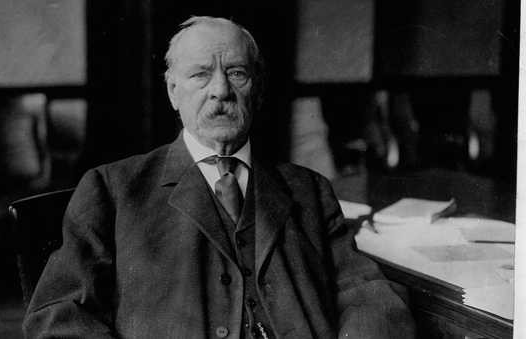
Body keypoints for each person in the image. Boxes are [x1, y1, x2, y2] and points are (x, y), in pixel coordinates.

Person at [23, 16, 415, 339]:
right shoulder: (114, 189)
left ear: (256, 90)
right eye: (200, 75)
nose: (221, 90)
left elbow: (367, 295)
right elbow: (58, 315)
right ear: (173, 92)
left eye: (236, 73)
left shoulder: (308, 190)